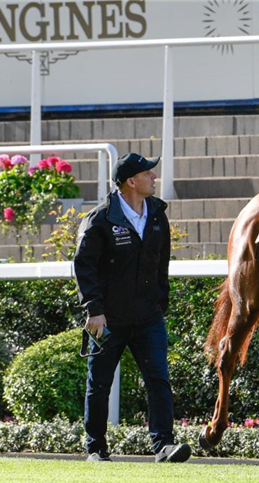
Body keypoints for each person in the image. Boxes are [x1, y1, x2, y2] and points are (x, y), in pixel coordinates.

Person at [73, 153, 190, 463]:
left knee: (158, 379)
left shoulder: (156, 214)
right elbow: (83, 266)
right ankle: (95, 448)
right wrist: (94, 309)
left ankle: (163, 446)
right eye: (148, 173)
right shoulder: (100, 218)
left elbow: (162, 263)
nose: (154, 178)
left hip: (148, 316)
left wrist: (160, 302)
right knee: (99, 384)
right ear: (131, 181)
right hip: (107, 318)